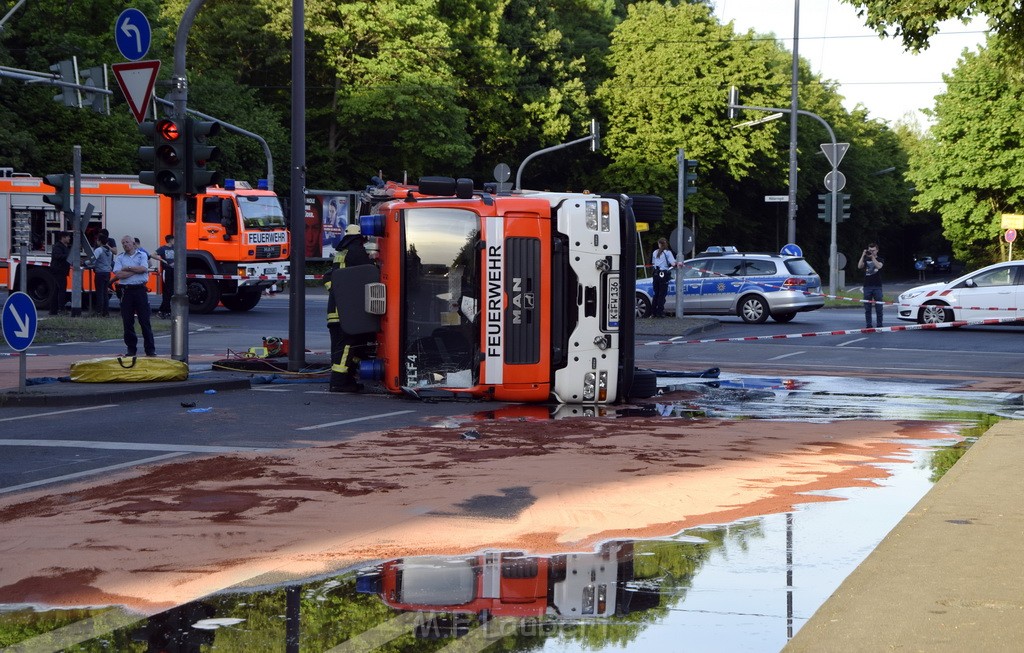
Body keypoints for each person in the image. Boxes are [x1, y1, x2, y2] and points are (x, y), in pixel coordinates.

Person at [326, 223, 372, 392]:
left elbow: (328, 278)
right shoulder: (356, 252)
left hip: (336, 310)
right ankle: (339, 383)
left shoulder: (341, 252)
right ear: (360, 237)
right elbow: (370, 272)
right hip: (346, 313)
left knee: (344, 348)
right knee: (346, 347)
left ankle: (346, 379)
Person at [113, 235, 157, 357]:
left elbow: (144, 269)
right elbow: (118, 274)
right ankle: (131, 349)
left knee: (144, 321)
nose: (125, 244)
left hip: (139, 291)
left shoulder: (142, 255)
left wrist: (128, 268)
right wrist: (134, 271)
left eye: (127, 242)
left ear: (133, 243)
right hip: (126, 292)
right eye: (123, 243)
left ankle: (150, 350)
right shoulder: (120, 257)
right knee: (127, 322)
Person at [858, 242, 885, 328]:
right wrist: (863, 255)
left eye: (873, 251)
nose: (871, 252)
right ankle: (868, 325)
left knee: (879, 307)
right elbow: (859, 266)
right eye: (870, 250)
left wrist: (873, 257)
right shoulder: (866, 260)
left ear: (877, 250)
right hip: (867, 286)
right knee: (867, 308)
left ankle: (879, 324)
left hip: (877, 286)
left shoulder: (880, 259)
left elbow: (879, 266)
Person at [650, 237, 677, 318]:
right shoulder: (668, 253)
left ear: (659, 244)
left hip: (656, 274)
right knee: (662, 294)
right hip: (663, 274)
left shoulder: (655, 252)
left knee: (656, 293)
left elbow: (653, 263)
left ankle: (653, 312)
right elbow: (673, 264)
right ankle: (660, 312)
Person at [92, 237, 116, 317]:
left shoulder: (98, 250)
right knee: (105, 293)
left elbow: (93, 260)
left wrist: (84, 262)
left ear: (99, 241)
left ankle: (98, 312)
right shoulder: (109, 251)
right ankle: (106, 312)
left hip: (100, 273)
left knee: (99, 293)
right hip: (107, 273)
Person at [48, 232, 71, 316]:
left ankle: (53, 310)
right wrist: (68, 256)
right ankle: (61, 309)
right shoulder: (57, 246)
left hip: (62, 271)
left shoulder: (64, 247)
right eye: (68, 236)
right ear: (63, 237)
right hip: (58, 271)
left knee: (57, 290)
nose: (69, 238)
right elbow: (58, 256)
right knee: (61, 290)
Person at [154, 234, 175, 318]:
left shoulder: (174, 248)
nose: (174, 241)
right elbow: (153, 254)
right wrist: (162, 260)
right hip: (166, 270)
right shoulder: (163, 248)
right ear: (170, 240)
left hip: (173, 270)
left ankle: (165, 310)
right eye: (173, 239)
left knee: (171, 291)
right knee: (167, 290)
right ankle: (163, 310)